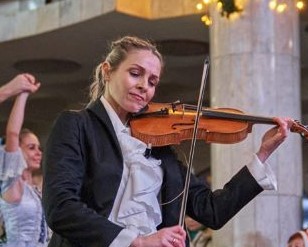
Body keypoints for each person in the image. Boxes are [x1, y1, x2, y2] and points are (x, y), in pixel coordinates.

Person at [42, 35, 295, 247]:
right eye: (135, 74)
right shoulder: (77, 126)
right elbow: (61, 207)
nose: (144, 87)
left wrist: (263, 154)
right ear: (107, 71)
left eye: (152, 82)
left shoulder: (159, 146)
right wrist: (138, 241)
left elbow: (212, 210)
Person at [0, 74, 48, 246]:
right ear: (17, 151)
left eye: (39, 148)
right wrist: (23, 94)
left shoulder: (34, 191)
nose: (38, 153)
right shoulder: (12, 183)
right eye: (31, 147)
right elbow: (12, 134)